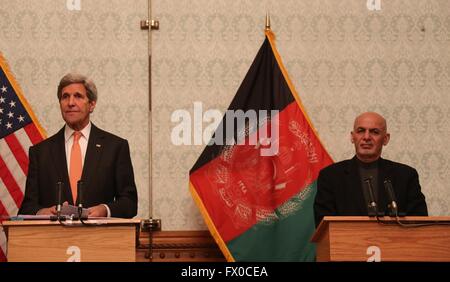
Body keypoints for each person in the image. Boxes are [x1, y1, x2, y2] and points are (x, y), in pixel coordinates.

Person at [18, 73, 138, 218]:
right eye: (65, 97)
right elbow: (27, 208)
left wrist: (105, 209)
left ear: (92, 104)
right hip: (53, 237)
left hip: (99, 237)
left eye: (78, 96)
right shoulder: (40, 152)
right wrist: (42, 213)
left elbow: (129, 203)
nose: (70, 102)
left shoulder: (115, 147)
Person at [314, 112, 427, 226]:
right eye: (361, 131)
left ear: (386, 139)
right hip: (348, 242)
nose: (366, 137)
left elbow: (419, 223)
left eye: (375, 132)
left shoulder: (406, 176)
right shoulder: (330, 176)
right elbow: (323, 226)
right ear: (352, 137)